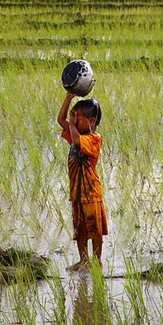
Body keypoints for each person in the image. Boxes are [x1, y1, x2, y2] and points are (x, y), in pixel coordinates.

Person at [57, 92, 107, 271]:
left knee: (95, 229)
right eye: (74, 119)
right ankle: (84, 260)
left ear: (92, 121)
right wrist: (69, 97)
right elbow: (60, 120)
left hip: (91, 194)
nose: (74, 122)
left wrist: (72, 123)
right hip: (76, 193)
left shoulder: (94, 139)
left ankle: (97, 261)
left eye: (78, 119)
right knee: (80, 230)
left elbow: (78, 141)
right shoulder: (75, 133)